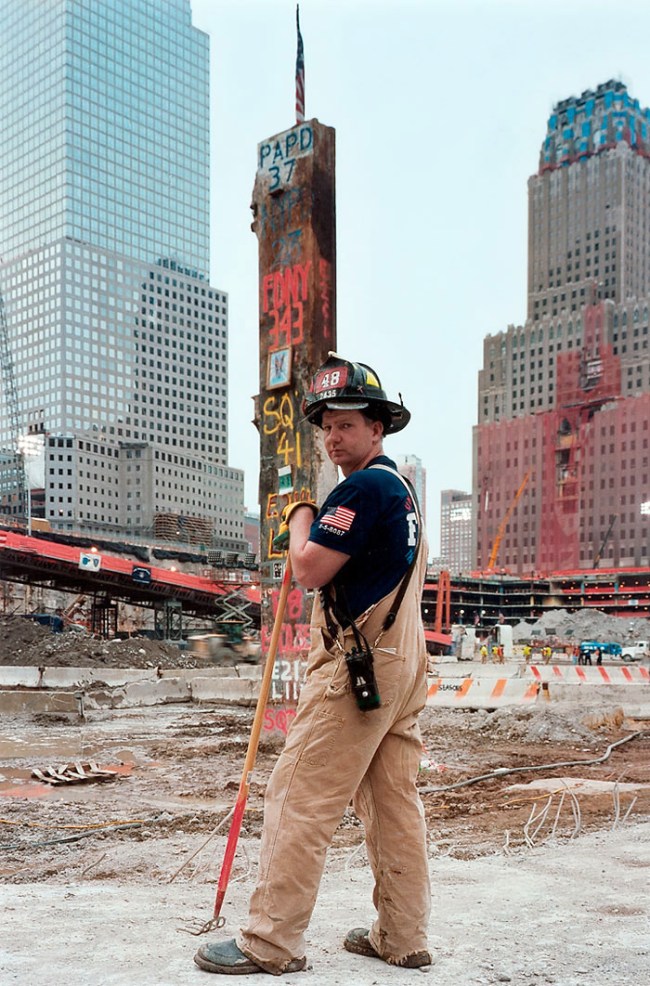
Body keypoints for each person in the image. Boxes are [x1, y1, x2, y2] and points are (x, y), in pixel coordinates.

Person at [194, 354, 431, 976]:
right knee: (391, 800)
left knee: (297, 793)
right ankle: (402, 936)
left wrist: (300, 518)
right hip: (401, 664)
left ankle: (269, 942)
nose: (333, 437)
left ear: (378, 428)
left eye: (347, 424)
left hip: (361, 667)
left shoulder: (364, 487)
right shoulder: (402, 492)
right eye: (326, 425)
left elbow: (309, 569)